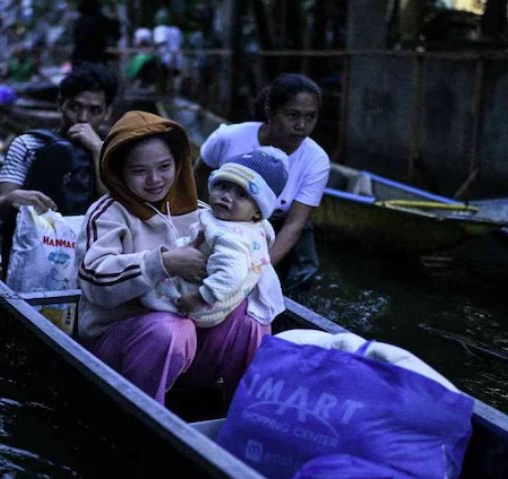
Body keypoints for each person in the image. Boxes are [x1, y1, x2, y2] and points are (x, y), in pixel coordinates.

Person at [75, 111, 282, 404]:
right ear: (120, 171)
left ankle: (245, 409)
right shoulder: (107, 213)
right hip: (122, 342)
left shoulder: (204, 212)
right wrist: (164, 262)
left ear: (179, 163)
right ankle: (143, 416)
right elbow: (93, 279)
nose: (154, 180)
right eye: (139, 171)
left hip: (191, 336)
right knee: (169, 328)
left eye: (164, 166)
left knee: (250, 317)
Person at [194, 73, 330, 291]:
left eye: (310, 117)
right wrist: (202, 224)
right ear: (270, 111)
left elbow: (295, 224)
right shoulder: (228, 137)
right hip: (221, 215)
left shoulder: (316, 160)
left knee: (300, 278)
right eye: (292, 115)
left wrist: (256, 270)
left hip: (276, 224)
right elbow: (196, 179)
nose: (301, 126)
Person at [141, 147, 288, 329]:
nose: (227, 197)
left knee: (146, 291)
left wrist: (199, 298)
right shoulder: (254, 227)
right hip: (209, 290)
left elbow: (232, 274)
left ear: (258, 212)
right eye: (223, 186)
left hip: (196, 299)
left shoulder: (230, 237)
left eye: (242, 195)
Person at [0, 63, 119, 276]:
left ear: (107, 113)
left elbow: (113, 210)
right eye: (75, 107)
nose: (83, 118)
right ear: (60, 104)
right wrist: (15, 196)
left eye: (95, 111)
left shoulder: (114, 152)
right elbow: (0, 210)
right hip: (31, 254)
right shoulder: (27, 145)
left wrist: (98, 149)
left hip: (89, 256)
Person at [70, 0, 120, 66]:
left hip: (81, 59)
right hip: (95, 59)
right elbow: (116, 35)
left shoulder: (79, 22)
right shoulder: (100, 21)